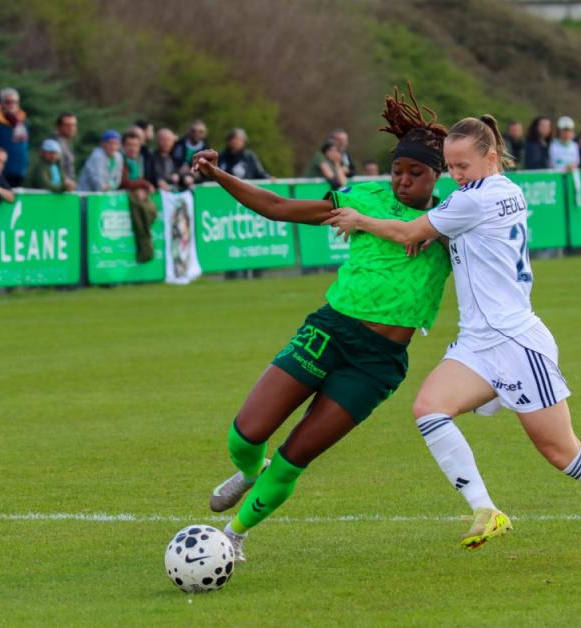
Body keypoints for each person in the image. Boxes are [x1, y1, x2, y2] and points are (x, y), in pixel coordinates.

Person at [326, 114, 581, 563]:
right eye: (449, 167)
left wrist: (361, 219)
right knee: (429, 409)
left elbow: (412, 232)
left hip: (514, 342)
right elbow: (449, 235)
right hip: (478, 341)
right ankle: (486, 510)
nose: (454, 176)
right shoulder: (501, 191)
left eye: (462, 167)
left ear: (490, 158)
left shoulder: (477, 199)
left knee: (562, 452)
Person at [192, 85, 453, 561]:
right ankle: (250, 471)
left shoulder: (452, 216)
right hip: (331, 330)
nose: (403, 181)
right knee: (245, 434)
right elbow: (277, 207)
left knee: (295, 458)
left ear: (438, 176)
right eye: (397, 170)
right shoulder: (363, 197)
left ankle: (233, 536)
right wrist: (217, 175)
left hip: (377, 364)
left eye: (416, 173)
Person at [120, 131, 158, 263]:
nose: (132, 148)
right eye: (129, 145)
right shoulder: (121, 160)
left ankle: (146, 253)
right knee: (140, 225)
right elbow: (123, 182)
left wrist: (142, 188)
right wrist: (143, 184)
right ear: (123, 146)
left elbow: (137, 179)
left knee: (150, 214)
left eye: (135, 145)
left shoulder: (139, 160)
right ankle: (144, 253)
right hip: (127, 197)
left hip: (139, 194)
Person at [173, 119, 208, 187]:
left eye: (200, 132)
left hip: (196, 182)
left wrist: (194, 172)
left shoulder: (207, 149)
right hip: (177, 177)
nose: (196, 134)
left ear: (205, 134)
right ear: (188, 131)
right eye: (193, 131)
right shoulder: (179, 144)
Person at [53, 113, 78, 184]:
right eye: (67, 125)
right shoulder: (53, 142)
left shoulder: (67, 142)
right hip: (56, 189)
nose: (71, 128)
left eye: (74, 125)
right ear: (59, 127)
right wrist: (66, 182)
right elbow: (56, 167)